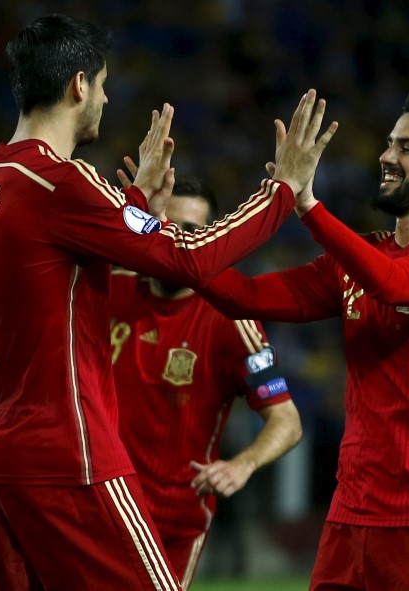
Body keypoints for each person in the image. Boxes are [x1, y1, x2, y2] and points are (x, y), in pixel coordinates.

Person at [0, 13, 336, 591]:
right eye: (104, 86)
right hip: (67, 450)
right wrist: (281, 191)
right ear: (79, 85)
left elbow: (54, 263)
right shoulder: (60, 181)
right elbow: (185, 258)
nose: (106, 100)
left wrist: (132, 203)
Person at [200, 92, 409, 591]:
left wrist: (306, 206)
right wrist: (159, 240)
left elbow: (396, 285)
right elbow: (246, 295)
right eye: (389, 144)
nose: (386, 157)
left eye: (407, 147)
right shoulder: (364, 255)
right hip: (351, 517)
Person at [109, 174, 303, 587]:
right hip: (92, 511)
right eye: (167, 225)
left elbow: (286, 419)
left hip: (169, 524)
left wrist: (241, 464)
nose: (178, 241)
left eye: (192, 233)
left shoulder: (232, 319)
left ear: (212, 241)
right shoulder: (107, 288)